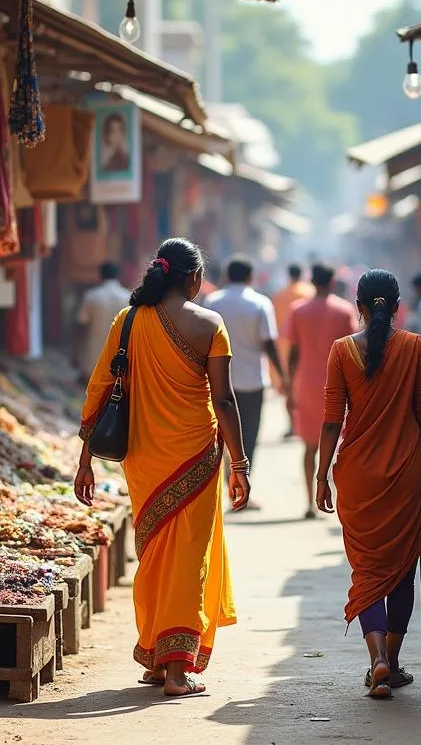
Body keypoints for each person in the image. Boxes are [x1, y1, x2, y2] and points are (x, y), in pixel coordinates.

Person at [74, 238, 250, 697]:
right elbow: (224, 399)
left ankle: (156, 656)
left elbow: (99, 387)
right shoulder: (210, 324)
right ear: (193, 279)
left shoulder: (128, 321)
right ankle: (175, 671)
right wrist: (241, 464)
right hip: (196, 455)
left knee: (153, 553)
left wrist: (85, 459)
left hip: (145, 459)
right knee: (188, 558)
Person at [316, 270, 421, 698]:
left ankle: (377, 662)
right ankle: (392, 660)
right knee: (402, 571)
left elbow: (333, 419)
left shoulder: (340, 351)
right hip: (407, 472)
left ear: (358, 307)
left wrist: (320, 477)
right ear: (397, 307)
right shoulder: (414, 347)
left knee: (368, 571)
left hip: (357, 477)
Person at [205, 256, 286, 479]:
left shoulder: (212, 302)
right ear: (250, 276)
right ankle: (242, 484)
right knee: (248, 434)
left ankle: (227, 481)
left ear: (227, 276)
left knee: (221, 433)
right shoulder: (260, 303)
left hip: (219, 380)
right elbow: (268, 342)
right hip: (252, 381)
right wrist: (281, 375)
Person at [286, 262, 356, 519]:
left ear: (312, 282)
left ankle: (309, 502)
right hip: (339, 385)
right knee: (341, 446)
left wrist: (288, 385)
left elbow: (293, 353)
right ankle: (341, 501)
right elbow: (353, 350)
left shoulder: (298, 310)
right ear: (331, 282)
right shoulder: (344, 310)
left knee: (309, 447)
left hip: (306, 384)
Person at [272, 264, 315, 438]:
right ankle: (308, 424)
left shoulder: (279, 296)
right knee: (306, 387)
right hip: (307, 346)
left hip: (285, 346)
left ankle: (292, 425)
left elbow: (274, 324)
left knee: (289, 387)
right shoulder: (310, 293)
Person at [73, 262, 130, 382]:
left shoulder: (92, 296)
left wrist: (76, 352)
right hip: (120, 357)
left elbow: (81, 324)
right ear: (118, 276)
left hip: (93, 357)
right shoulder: (128, 297)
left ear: (100, 276)